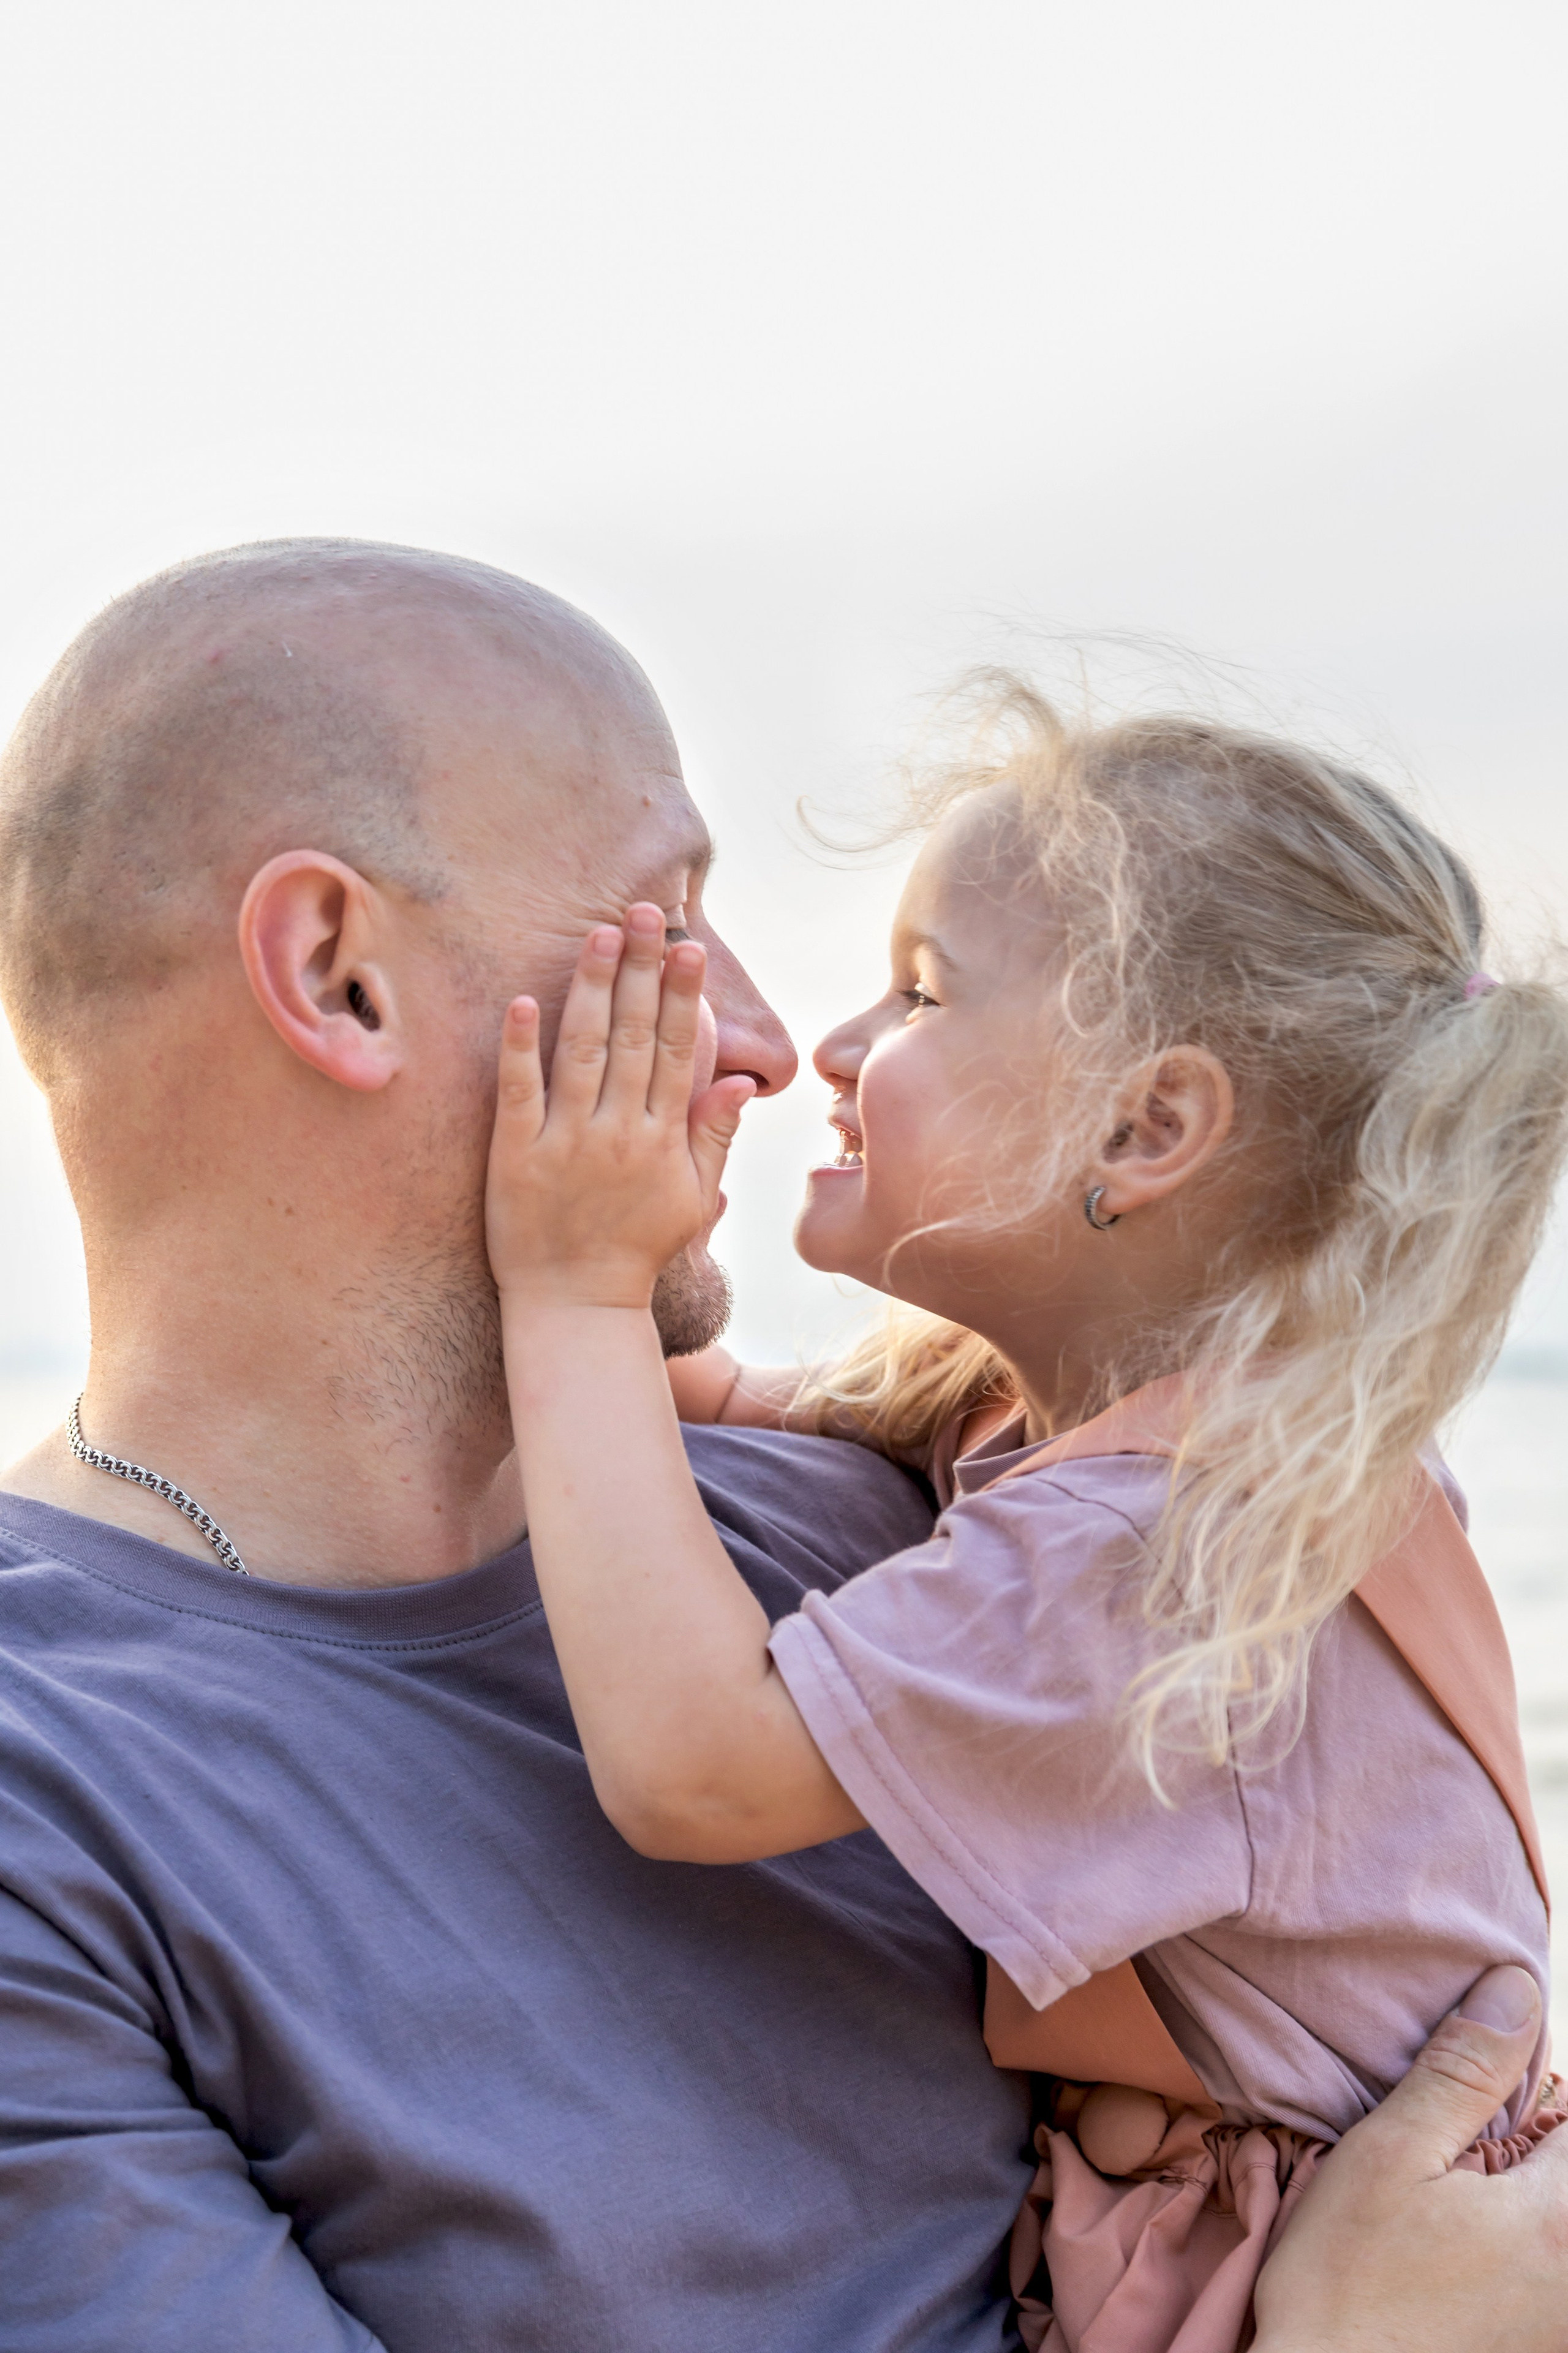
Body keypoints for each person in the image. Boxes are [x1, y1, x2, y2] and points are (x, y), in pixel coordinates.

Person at [0, 540, 1561, 2353]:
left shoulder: (917, 1527)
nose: (763, 1039)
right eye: (668, 923)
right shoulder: (53, 1799)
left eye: (912, 988)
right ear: (339, 972)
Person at [483, 683, 1568, 2350]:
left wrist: (563, 1280)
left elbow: (693, 1762)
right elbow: (689, 1414)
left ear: (1145, 1129)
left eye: (918, 992)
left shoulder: (1156, 1551)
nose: (831, 1048)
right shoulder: (1142, 1432)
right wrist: (639, 1204)